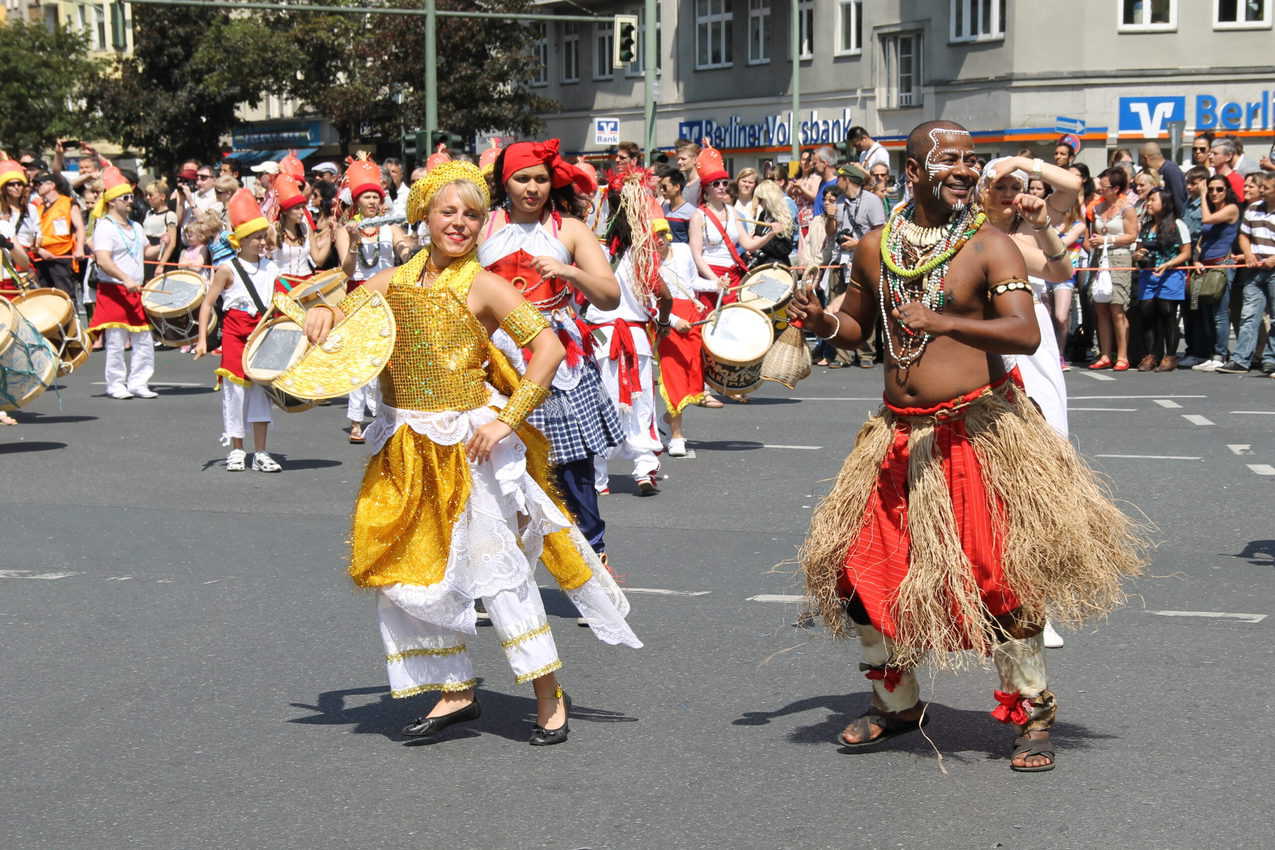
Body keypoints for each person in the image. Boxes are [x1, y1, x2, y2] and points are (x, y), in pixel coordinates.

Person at [787, 120, 1145, 772]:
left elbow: (1023, 333)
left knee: (1001, 585)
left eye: (970, 160)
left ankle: (1032, 715)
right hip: (897, 439)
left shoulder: (990, 247)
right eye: (947, 159)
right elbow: (855, 328)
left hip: (976, 436)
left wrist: (942, 319)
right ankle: (896, 706)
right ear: (913, 170)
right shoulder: (875, 247)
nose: (963, 169)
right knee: (865, 584)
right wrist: (819, 322)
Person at [301, 162, 641, 743]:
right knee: (419, 574)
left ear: (484, 224)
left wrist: (508, 420)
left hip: (469, 449)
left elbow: (549, 348)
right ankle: (455, 690)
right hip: (404, 449)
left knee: (497, 572)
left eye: (472, 214)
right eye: (447, 212)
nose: (459, 223)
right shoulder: (391, 283)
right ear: (424, 216)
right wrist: (324, 311)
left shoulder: (484, 284)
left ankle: (547, 692)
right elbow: (338, 309)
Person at [479, 139, 623, 563]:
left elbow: (610, 296)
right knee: (497, 471)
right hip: (497, 356)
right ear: (505, 183)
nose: (532, 188)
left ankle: (592, 562)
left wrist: (569, 271)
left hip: (559, 357)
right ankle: (502, 572)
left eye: (540, 179)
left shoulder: (569, 229)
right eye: (522, 178)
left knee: (571, 468)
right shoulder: (484, 226)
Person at [194, 189, 283, 472]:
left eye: (263, 237)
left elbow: (282, 304)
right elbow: (207, 305)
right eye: (255, 238)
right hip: (234, 333)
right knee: (235, 393)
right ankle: (236, 449)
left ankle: (261, 451)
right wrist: (201, 341)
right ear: (240, 240)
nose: (261, 242)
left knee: (260, 393)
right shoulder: (226, 269)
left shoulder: (272, 269)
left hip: (261, 334)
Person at [587, 180, 665, 496]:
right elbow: (662, 291)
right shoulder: (642, 254)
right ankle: (644, 469)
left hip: (601, 336)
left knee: (601, 404)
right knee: (641, 402)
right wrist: (665, 319)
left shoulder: (591, 251)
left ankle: (599, 478)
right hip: (634, 336)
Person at [337, 156, 411, 443]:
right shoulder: (347, 229)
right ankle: (356, 420)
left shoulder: (389, 226)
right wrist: (354, 242)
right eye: (366, 196)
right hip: (358, 294)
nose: (370, 201)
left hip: (387, 296)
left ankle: (384, 416)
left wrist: (408, 253)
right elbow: (345, 268)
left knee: (386, 357)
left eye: (374, 196)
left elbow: (404, 248)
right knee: (359, 358)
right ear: (357, 201)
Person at [87, 166, 160, 399]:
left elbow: (146, 252)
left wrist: (165, 245)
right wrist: (125, 278)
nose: (131, 201)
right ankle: (116, 384)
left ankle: (139, 382)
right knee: (117, 340)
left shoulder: (137, 227)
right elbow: (104, 260)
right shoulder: (105, 227)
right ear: (112, 202)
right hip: (113, 289)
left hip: (135, 289)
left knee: (144, 339)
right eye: (125, 197)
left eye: (131, 196)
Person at [688, 143, 780, 310]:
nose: (722, 186)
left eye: (724, 182)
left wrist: (770, 234)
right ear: (706, 188)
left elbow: (747, 245)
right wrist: (714, 281)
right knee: (712, 321)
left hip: (733, 274)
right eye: (716, 184)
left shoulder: (733, 212)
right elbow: (697, 255)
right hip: (711, 274)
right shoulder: (698, 216)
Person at [1217, 171, 1275, 375]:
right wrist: (1249, 254)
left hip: (1273, 270)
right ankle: (1241, 359)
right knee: (1249, 315)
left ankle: (1270, 358)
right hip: (1255, 270)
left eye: (1266, 188)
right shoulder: (1253, 209)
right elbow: (1243, 235)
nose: (1261, 191)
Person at [1132, 188, 1191, 371]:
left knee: (1167, 313)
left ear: (1165, 202)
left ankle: (1170, 355)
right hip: (1148, 275)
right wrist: (1139, 255)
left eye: (1153, 200)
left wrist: (1168, 264)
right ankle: (1150, 355)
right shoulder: (1147, 226)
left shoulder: (1177, 225)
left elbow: (1186, 253)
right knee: (1147, 313)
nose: (1148, 203)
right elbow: (1138, 250)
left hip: (1171, 274)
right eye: (1147, 200)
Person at [1086, 167, 1138, 370]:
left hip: (1119, 258)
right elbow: (1092, 232)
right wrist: (1094, 242)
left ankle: (1122, 355)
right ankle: (1105, 353)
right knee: (1100, 306)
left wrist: (1107, 239)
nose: (1100, 190)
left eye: (1104, 187)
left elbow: (1132, 235)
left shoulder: (1127, 208)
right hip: (1099, 259)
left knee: (1117, 307)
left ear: (1116, 188)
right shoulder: (1097, 208)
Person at [1187, 173, 1240, 371]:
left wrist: (1201, 195)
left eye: (1219, 189)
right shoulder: (1210, 209)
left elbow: (1207, 218)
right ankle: (1211, 352)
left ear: (1227, 191)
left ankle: (1221, 353)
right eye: (1210, 189)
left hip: (1222, 264)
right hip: (1206, 265)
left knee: (1220, 313)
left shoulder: (1230, 209)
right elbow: (1202, 240)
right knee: (1206, 313)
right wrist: (1196, 259)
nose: (1214, 193)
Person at [31, 172, 85, 303]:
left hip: (61, 256)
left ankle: (71, 321)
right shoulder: (37, 207)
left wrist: (80, 248)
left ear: (51, 185)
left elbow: (79, 227)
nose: (36, 187)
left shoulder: (68, 203)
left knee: (65, 295)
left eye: (39, 184)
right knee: (44, 295)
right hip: (41, 256)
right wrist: (38, 250)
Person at [273, 177, 328, 279]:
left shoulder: (305, 227)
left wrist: (330, 233)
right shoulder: (273, 230)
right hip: (283, 284)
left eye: (303, 207)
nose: (302, 212)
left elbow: (318, 260)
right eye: (297, 208)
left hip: (306, 282)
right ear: (285, 211)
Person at [141, 180, 177, 284]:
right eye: (146, 195)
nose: (148, 198)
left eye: (151, 195)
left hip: (160, 255)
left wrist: (161, 264)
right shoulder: (148, 213)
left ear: (162, 196)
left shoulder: (170, 215)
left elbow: (172, 243)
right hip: (147, 252)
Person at [657, 165, 696, 244]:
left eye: (664, 187)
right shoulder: (663, 208)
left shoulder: (691, 212)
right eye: (660, 187)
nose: (661, 190)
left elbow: (695, 240)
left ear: (677, 187)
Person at [731, 167, 759, 237]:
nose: (746, 185)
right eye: (744, 181)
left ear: (755, 185)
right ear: (737, 182)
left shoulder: (759, 205)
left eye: (750, 182)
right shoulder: (730, 202)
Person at [674, 139, 701, 207]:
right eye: (678, 159)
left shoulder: (701, 184)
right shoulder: (681, 184)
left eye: (683, 159)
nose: (679, 162)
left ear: (695, 160)